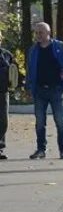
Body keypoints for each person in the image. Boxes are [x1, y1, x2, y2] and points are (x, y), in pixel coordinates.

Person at [26, 22, 63, 159]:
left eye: (41, 32)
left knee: (60, 122)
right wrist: (29, 87)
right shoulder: (33, 50)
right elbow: (29, 70)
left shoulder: (58, 46)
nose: (38, 35)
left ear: (48, 33)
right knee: (39, 122)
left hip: (56, 90)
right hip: (39, 90)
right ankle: (40, 150)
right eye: (36, 33)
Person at [0, 29, 20, 160]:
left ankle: (0, 147)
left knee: (3, 120)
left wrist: (16, 84)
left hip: (3, 92)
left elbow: (15, 71)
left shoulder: (7, 54)